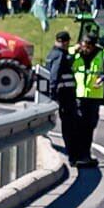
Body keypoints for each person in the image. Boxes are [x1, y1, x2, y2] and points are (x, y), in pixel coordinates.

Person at [69, 31, 104, 167]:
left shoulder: (102, 54)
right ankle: (77, 155)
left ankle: (85, 155)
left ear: (93, 45)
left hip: (94, 96)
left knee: (89, 126)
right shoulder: (74, 53)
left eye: (88, 46)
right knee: (78, 126)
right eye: (84, 45)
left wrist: (103, 78)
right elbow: (63, 62)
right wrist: (73, 51)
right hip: (78, 95)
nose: (86, 49)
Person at [43, 31, 83, 162]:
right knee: (70, 126)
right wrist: (53, 94)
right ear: (65, 42)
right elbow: (54, 75)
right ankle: (73, 155)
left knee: (69, 125)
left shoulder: (52, 53)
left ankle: (73, 153)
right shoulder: (60, 55)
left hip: (63, 95)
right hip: (65, 96)